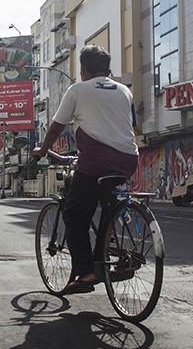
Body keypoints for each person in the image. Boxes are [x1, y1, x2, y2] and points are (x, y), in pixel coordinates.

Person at [32, 45, 138, 295]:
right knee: (103, 202)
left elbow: (56, 128)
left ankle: (87, 271)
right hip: (128, 160)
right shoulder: (125, 91)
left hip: (96, 161)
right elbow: (127, 124)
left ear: (83, 69)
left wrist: (42, 149)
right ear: (107, 68)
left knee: (74, 215)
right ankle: (106, 248)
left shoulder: (78, 89)